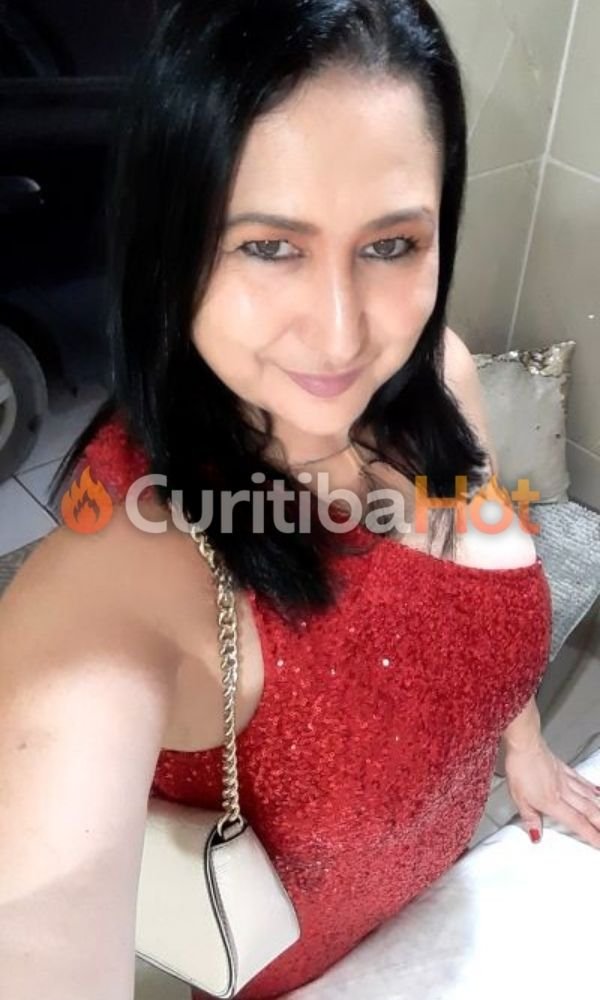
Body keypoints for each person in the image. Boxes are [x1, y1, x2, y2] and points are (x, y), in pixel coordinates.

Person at [1, 2, 599, 998]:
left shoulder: (438, 381)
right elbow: (37, 911)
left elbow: (478, 583)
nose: (340, 335)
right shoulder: (117, 581)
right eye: (269, 246)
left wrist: (523, 744)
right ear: (168, 249)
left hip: (445, 904)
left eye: (391, 244)